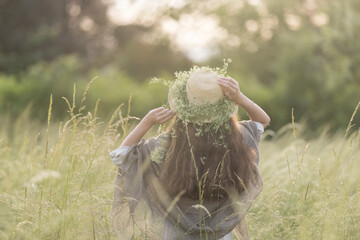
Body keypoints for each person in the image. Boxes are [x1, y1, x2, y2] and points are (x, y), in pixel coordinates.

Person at [110, 67, 270, 240]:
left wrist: (148, 121)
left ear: (184, 106)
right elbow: (263, 120)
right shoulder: (241, 138)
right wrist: (240, 98)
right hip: (221, 235)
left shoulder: (168, 145)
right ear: (224, 106)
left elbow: (121, 156)